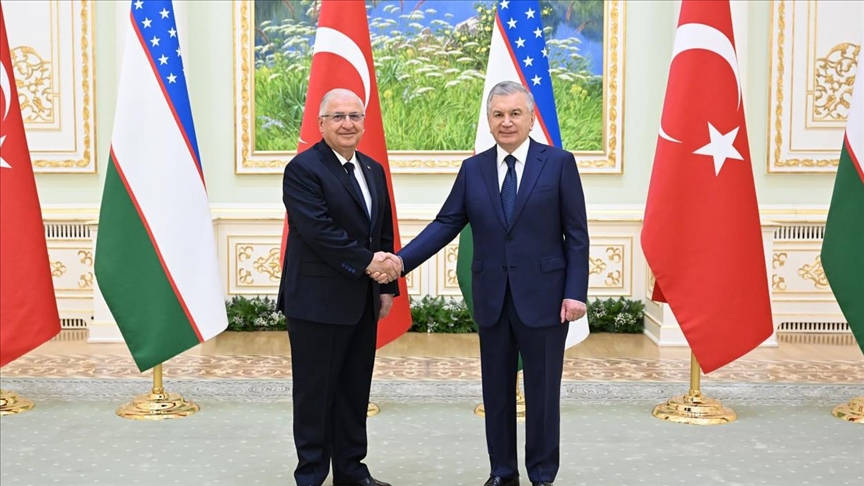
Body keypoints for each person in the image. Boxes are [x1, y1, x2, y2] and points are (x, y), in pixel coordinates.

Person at [380, 81, 589, 486]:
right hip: (492, 298)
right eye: (498, 114)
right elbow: (446, 223)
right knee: (496, 392)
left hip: (546, 299)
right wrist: (400, 262)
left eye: (515, 114)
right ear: (489, 121)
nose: (506, 122)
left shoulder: (559, 163)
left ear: (531, 119)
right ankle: (502, 473)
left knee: (543, 394)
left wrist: (574, 293)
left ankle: (542, 475)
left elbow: (576, 234)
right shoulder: (473, 169)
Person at [277, 88, 401, 486]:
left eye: (354, 116)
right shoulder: (303, 169)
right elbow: (319, 231)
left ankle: (351, 470)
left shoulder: (372, 169)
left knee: (353, 390)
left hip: (362, 300)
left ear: (364, 122)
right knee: (315, 394)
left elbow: (382, 230)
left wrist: (387, 287)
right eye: (338, 117)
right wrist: (369, 263)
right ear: (321, 124)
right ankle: (311, 475)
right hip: (316, 303)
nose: (347, 124)